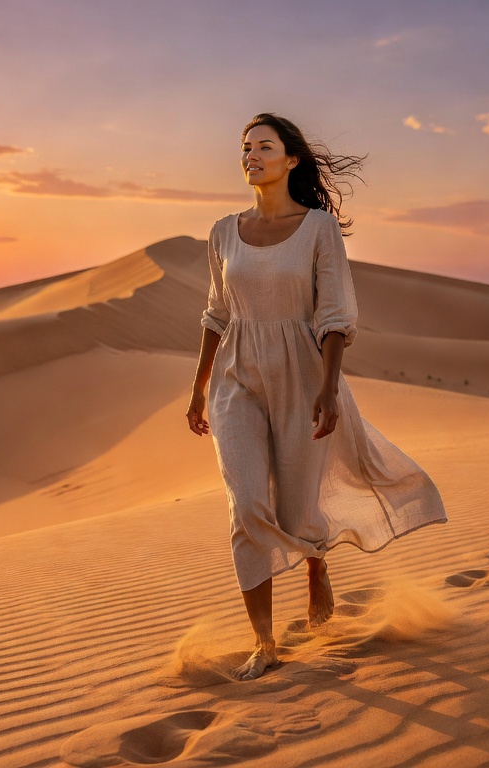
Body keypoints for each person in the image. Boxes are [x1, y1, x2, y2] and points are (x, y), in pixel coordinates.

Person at [186, 113, 449, 681]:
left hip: (302, 375)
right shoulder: (223, 232)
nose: (252, 156)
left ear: (291, 159)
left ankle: (315, 560)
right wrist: (198, 388)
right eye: (246, 147)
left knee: (297, 507)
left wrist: (329, 388)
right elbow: (216, 313)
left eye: (265, 147)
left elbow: (334, 314)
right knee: (246, 506)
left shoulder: (318, 229)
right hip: (236, 377)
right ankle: (264, 643)